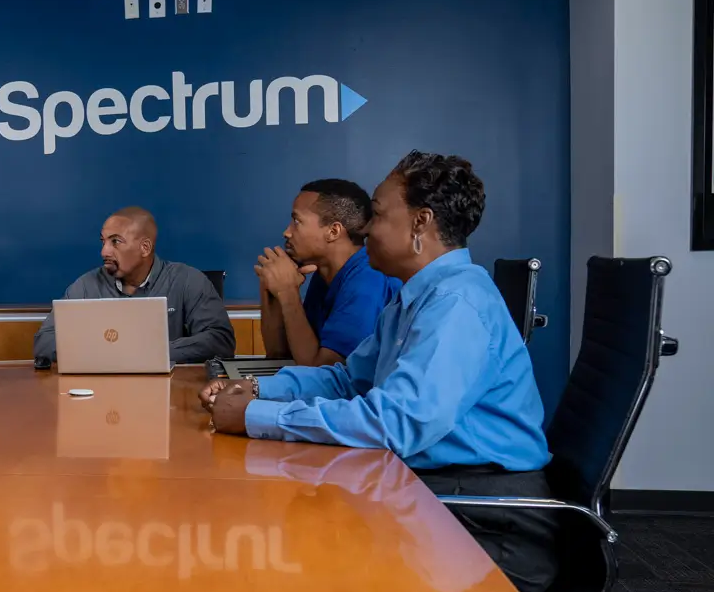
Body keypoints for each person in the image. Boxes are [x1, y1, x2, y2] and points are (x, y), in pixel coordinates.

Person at [201, 151, 551, 476]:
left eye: (378, 214)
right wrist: (256, 388)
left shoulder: (456, 303)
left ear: (420, 222)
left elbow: (396, 424)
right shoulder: (414, 296)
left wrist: (254, 415)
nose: (365, 229)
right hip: (432, 475)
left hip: (482, 495)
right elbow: (347, 381)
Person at [33, 207, 235, 365]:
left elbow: (220, 340)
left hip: (170, 394)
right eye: (103, 242)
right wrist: (102, 352)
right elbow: (44, 341)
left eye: (115, 242)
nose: (104, 252)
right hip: (101, 396)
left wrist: (150, 352)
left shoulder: (189, 280)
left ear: (144, 248)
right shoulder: (86, 285)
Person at [257, 179, 402, 366]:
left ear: (333, 231)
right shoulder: (324, 275)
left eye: (296, 221)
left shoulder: (368, 280)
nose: (287, 232)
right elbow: (279, 356)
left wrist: (287, 292)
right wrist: (270, 287)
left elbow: (321, 372)